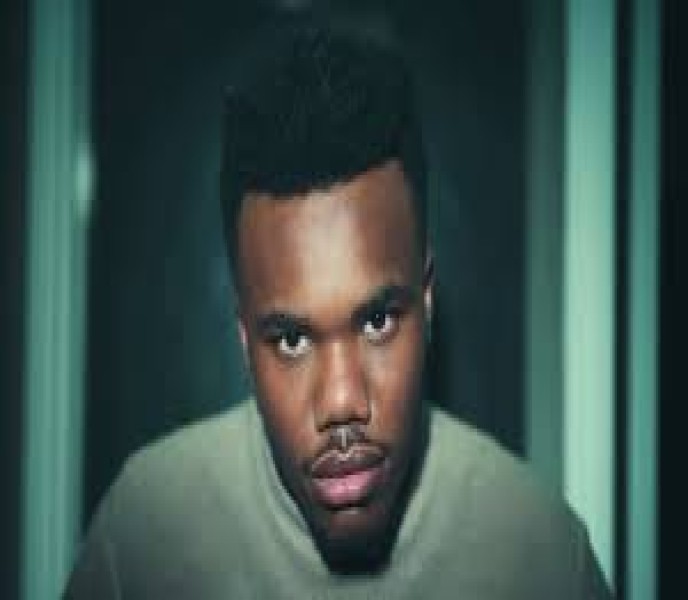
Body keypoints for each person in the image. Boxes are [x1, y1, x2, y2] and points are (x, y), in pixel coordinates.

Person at [65, 21, 613, 599]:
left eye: (377, 321)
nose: (342, 402)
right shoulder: (141, 543)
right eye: (292, 340)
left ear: (427, 300)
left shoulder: (544, 561)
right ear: (243, 339)